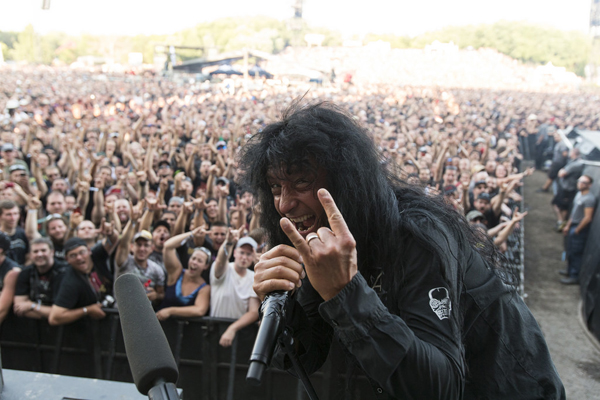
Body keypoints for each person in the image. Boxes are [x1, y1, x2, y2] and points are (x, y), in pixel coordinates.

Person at [242, 102, 564, 399]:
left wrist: (345, 293)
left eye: (301, 182)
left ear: (345, 180)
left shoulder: (417, 235)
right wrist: (284, 308)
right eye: (275, 187)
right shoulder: (319, 240)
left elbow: (440, 389)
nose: (284, 204)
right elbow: (307, 356)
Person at [209, 231, 259, 347]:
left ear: (253, 257)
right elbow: (221, 261)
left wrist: (233, 328)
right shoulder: (225, 269)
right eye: (242, 252)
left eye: (248, 254)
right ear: (235, 253)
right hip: (215, 329)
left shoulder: (254, 277)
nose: (244, 257)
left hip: (239, 332)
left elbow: (253, 311)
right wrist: (229, 242)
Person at [48, 238, 107, 325]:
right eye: (73, 255)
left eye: (82, 252)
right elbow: (54, 318)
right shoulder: (70, 282)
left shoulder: (98, 261)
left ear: (89, 251)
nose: (79, 258)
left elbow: (114, 242)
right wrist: (87, 310)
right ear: (67, 259)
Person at [155, 228, 211, 320]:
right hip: (159, 324)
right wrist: (192, 234)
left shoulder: (205, 288)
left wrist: (170, 311)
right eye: (193, 258)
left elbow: (199, 310)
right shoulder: (177, 272)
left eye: (200, 261)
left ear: (206, 266)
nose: (194, 262)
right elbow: (168, 246)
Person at [13, 238, 67, 319]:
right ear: (30, 255)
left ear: (52, 252)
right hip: (33, 324)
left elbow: (60, 313)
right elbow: (19, 308)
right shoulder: (25, 272)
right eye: (35, 251)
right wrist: (49, 313)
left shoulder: (64, 272)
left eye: (43, 250)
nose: (39, 254)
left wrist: (32, 305)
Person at [560, 175, 596, 285]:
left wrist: (577, 229)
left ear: (589, 185)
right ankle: (569, 271)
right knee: (570, 251)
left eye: (584, 182)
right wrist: (568, 225)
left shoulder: (589, 199)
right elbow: (574, 213)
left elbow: (587, 217)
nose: (580, 183)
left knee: (576, 252)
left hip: (579, 229)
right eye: (580, 181)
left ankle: (574, 276)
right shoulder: (579, 194)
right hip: (573, 226)